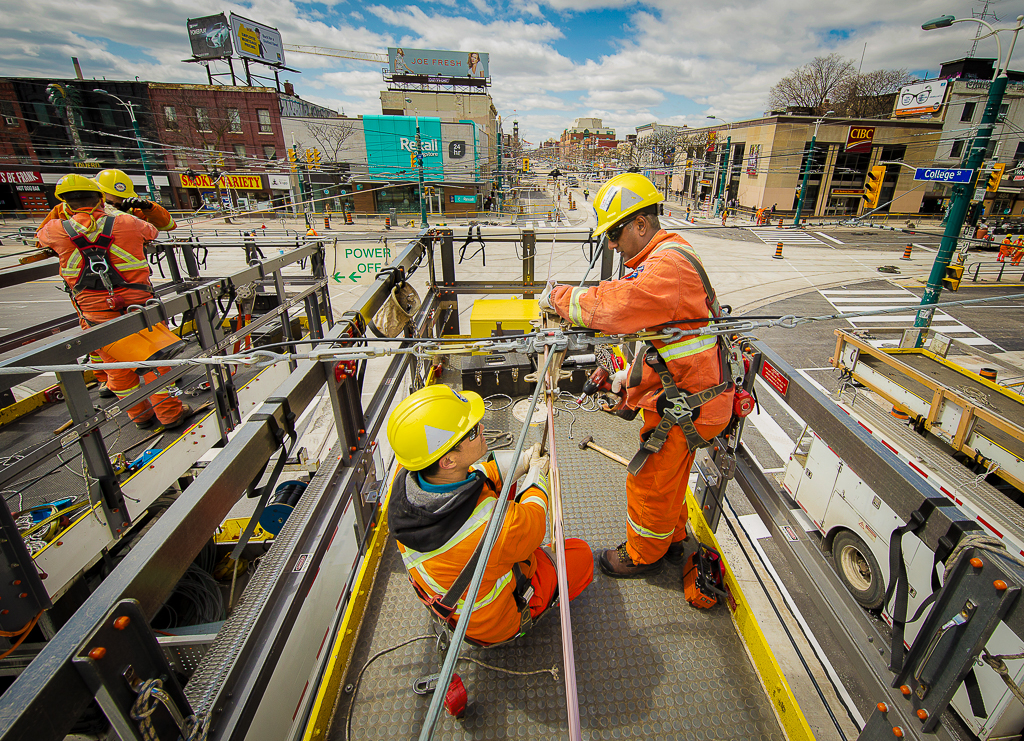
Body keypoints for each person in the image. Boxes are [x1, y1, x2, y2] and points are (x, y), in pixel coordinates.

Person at [539, 173, 735, 578]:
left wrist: (559, 298)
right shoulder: (670, 256)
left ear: (641, 224)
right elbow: (661, 354)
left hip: (687, 407)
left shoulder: (665, 268)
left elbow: (617, 307)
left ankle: (644, 554)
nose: (611, 244)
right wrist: (623, 386)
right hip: (696, 399)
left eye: (614, 233)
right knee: (671, 481)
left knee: (650, 483)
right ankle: (674, 535)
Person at [386, 385, 593, 645]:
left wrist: (524, 461)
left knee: (498, 488)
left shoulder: (407, 481)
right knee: (580, 555)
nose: (482, 428)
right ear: (448, 461)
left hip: (455, 607)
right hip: (496, 622)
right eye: (472, 431)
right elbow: (533, 521)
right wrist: (537, 477)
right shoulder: (494, 526)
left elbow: (475, 476)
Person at [36, 175, 191, 430]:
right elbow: (156, 229)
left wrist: (59, 213)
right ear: (100, 198)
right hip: (139, 306)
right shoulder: (129, 222)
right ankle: (170, 414)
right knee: (155, 359)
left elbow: (39, 238)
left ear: (65, 203)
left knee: (116, 366)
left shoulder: (55, 230)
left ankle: (139, 416)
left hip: (95, 312)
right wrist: (131, 210)